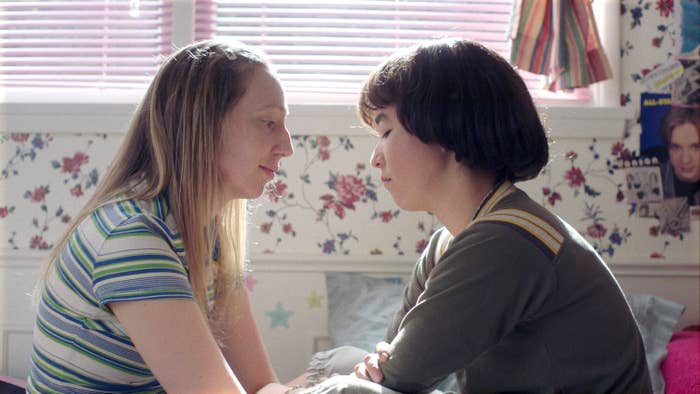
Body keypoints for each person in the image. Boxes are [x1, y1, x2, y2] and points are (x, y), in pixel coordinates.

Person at [303, 39, 652, 393]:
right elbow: (389, 358)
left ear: (443, 129)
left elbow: (399, 373)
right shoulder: (450, 241)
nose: (376, 158)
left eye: (387, 131)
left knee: (348, 390)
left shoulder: (507, 240)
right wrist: (372, 371)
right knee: (344, 362)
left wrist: (367, 376)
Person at [27, 40, 295, 393]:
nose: (287, 146)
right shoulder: (132, 237)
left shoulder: (204, 234)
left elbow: (260, 384)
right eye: (268, 123)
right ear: (203, 124)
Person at [658, 106, 700, 205]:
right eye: (676, 148)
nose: (685, 160)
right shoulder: (654, 178)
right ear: (667, 148)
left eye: (695, 147)